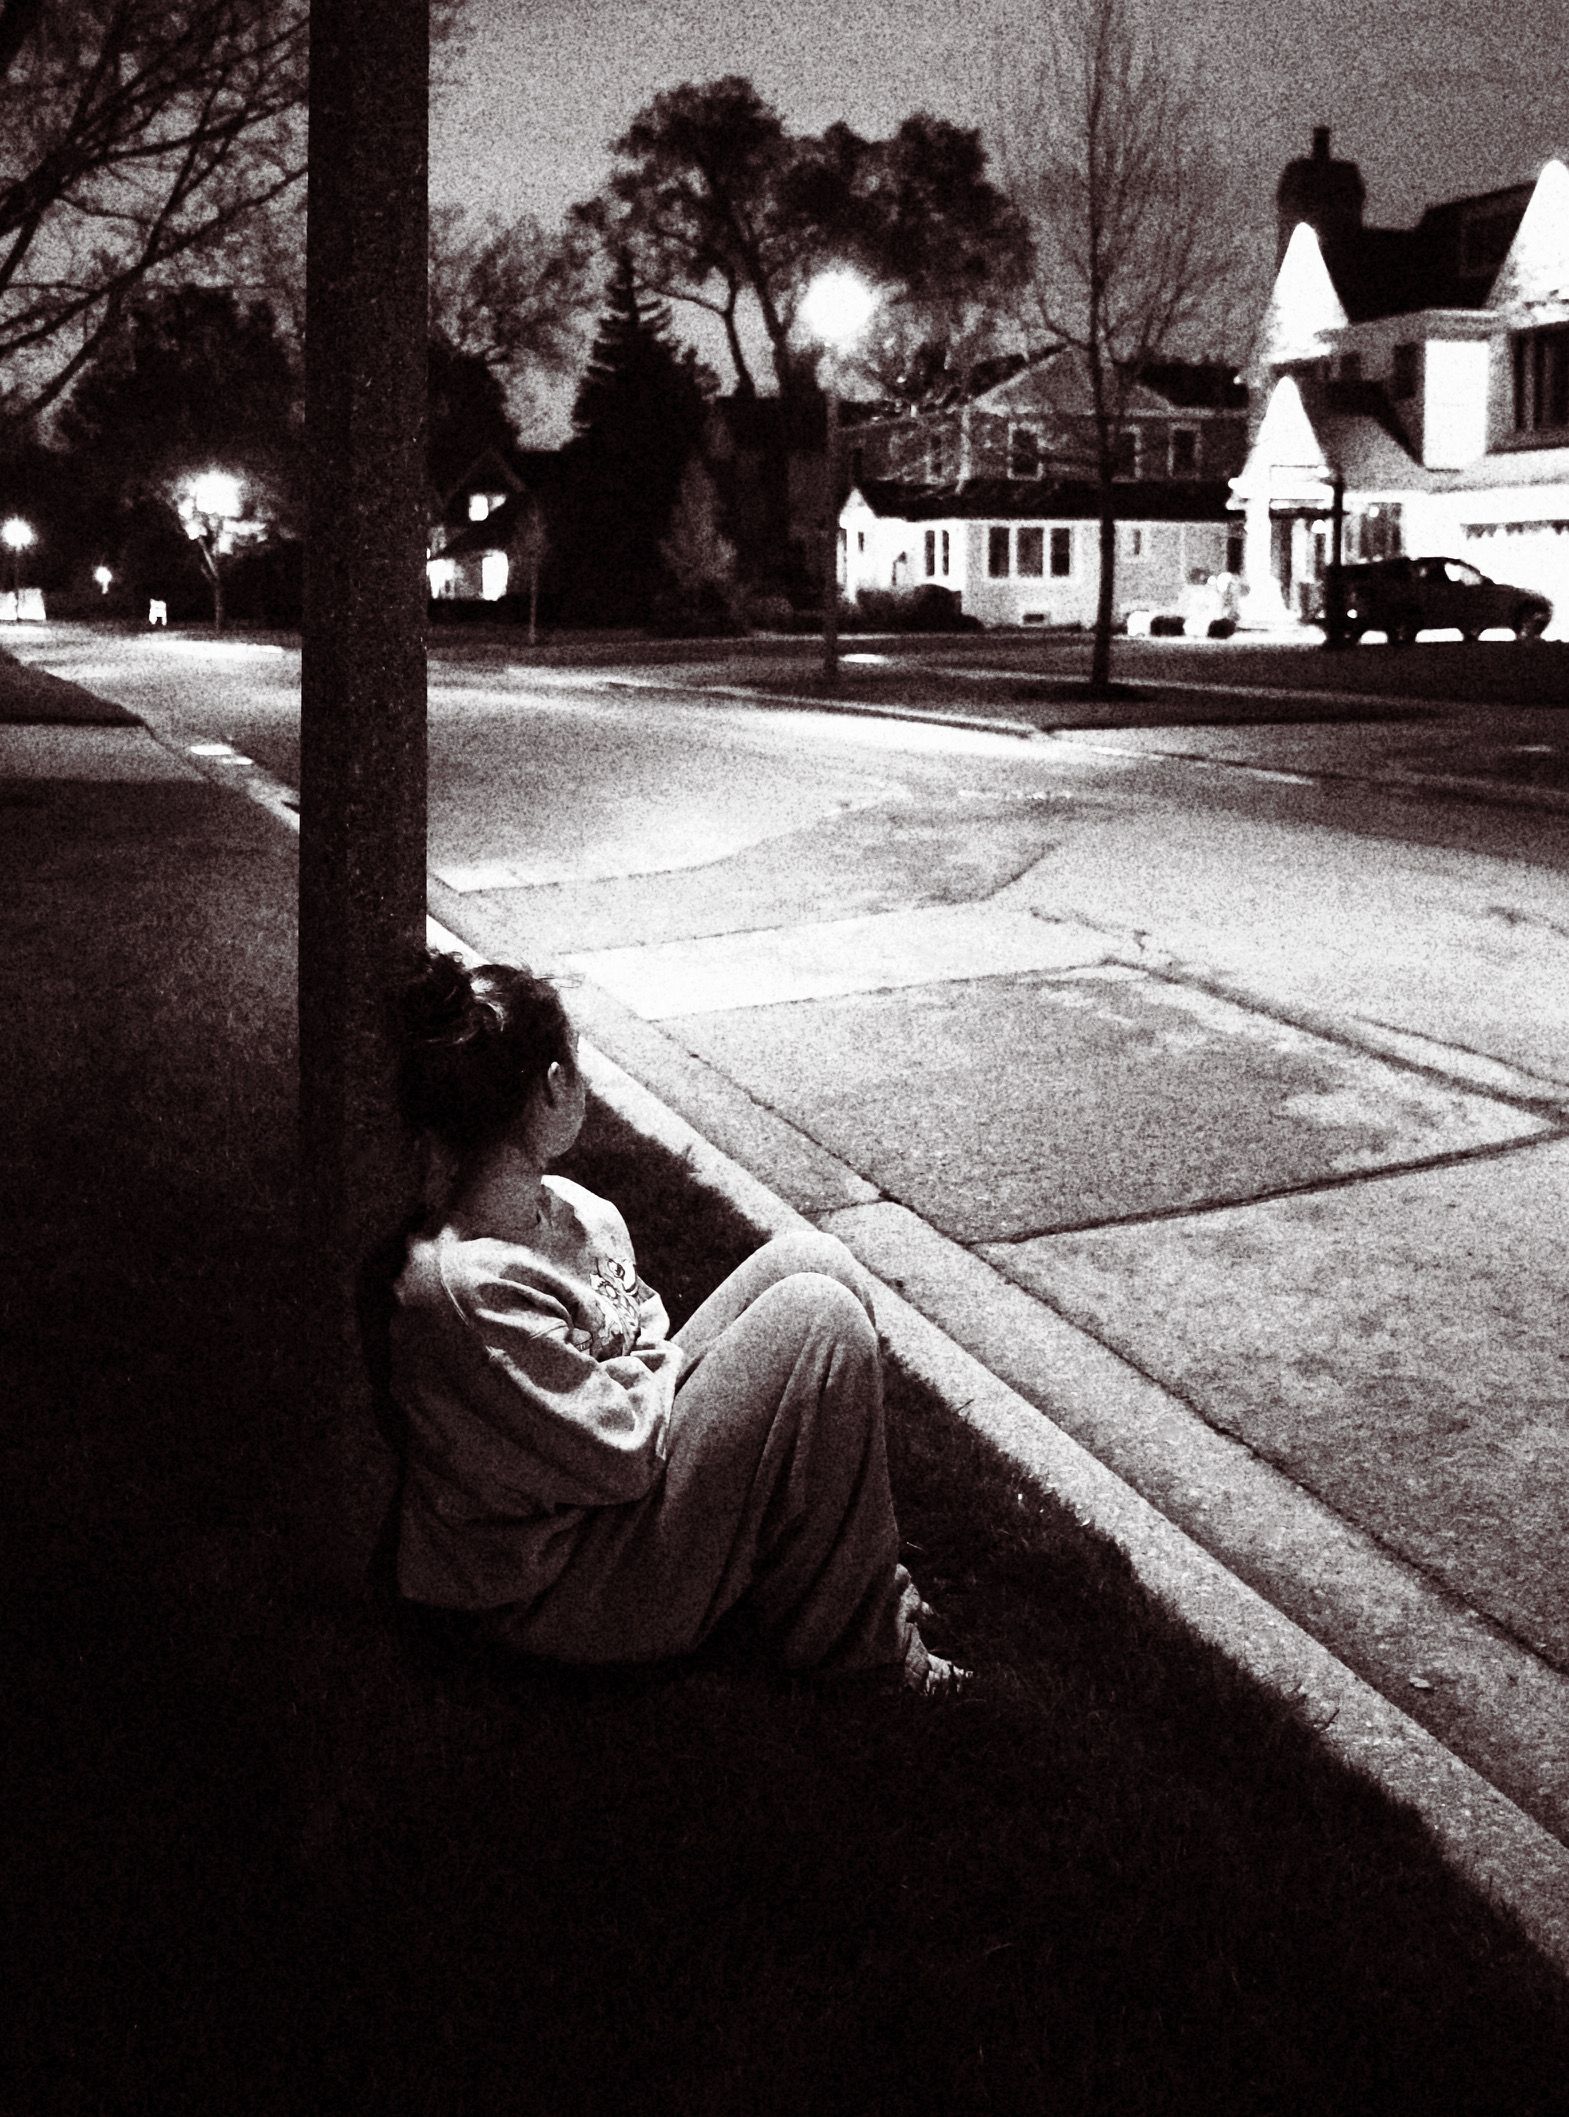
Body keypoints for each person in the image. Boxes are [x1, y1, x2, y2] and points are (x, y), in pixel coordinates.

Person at [388, 950, 965, 1693]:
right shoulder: (464, 1289)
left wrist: (667, 1373)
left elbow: (645, 1337)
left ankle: (842, 1581)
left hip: (617, 1495)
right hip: (559, 1590)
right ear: (554, 1087)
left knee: (814, 1261)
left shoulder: (573, 1209)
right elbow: (620, 1451)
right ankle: (873, 1659)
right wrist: (684, 1376)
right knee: (819, 1321)